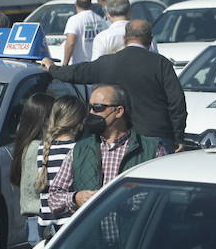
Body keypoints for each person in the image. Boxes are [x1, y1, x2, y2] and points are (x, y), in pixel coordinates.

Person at [43, 20, 187, 151]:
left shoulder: (108, 62)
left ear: (125, 39)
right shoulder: (161, 64)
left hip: (119, 138)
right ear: (150, 40)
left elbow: (76, 73)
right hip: (157, 136)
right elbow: (177, 101)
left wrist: (51, 68)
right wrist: (178, 135)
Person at [47, 85, 167, 224]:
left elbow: (164, 197)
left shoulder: (152, 150)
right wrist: (76, 198)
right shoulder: (80, 150)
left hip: (135, 241)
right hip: (92, 242)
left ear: (118, 111)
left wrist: (128, 201)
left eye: (97, 108)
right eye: (90, 107)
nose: (91, 113)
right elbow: (53, 198)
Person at [35, 95, 85, 240]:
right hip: (68, 223)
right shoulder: (76, 149)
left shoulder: (43, 147)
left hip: (46, 222)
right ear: (79, 121)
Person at [10, 94, 55, 244]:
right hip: (43, 220)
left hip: (33, 220)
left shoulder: (25, 144)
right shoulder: (38, 148)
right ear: (47, 118)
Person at [92, 0, 159, 57]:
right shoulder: (146, 35)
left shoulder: (102, 38)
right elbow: (155, 61)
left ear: (107, 15)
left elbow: (96, 66)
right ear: (130, 12)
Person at [61, 0, 106, 65]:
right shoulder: (100, 20)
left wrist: (65, 64)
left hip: (81, 65)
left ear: (76, 4)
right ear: (91, 5)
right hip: (98, 65)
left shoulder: (74, 20)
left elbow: (70, 43)